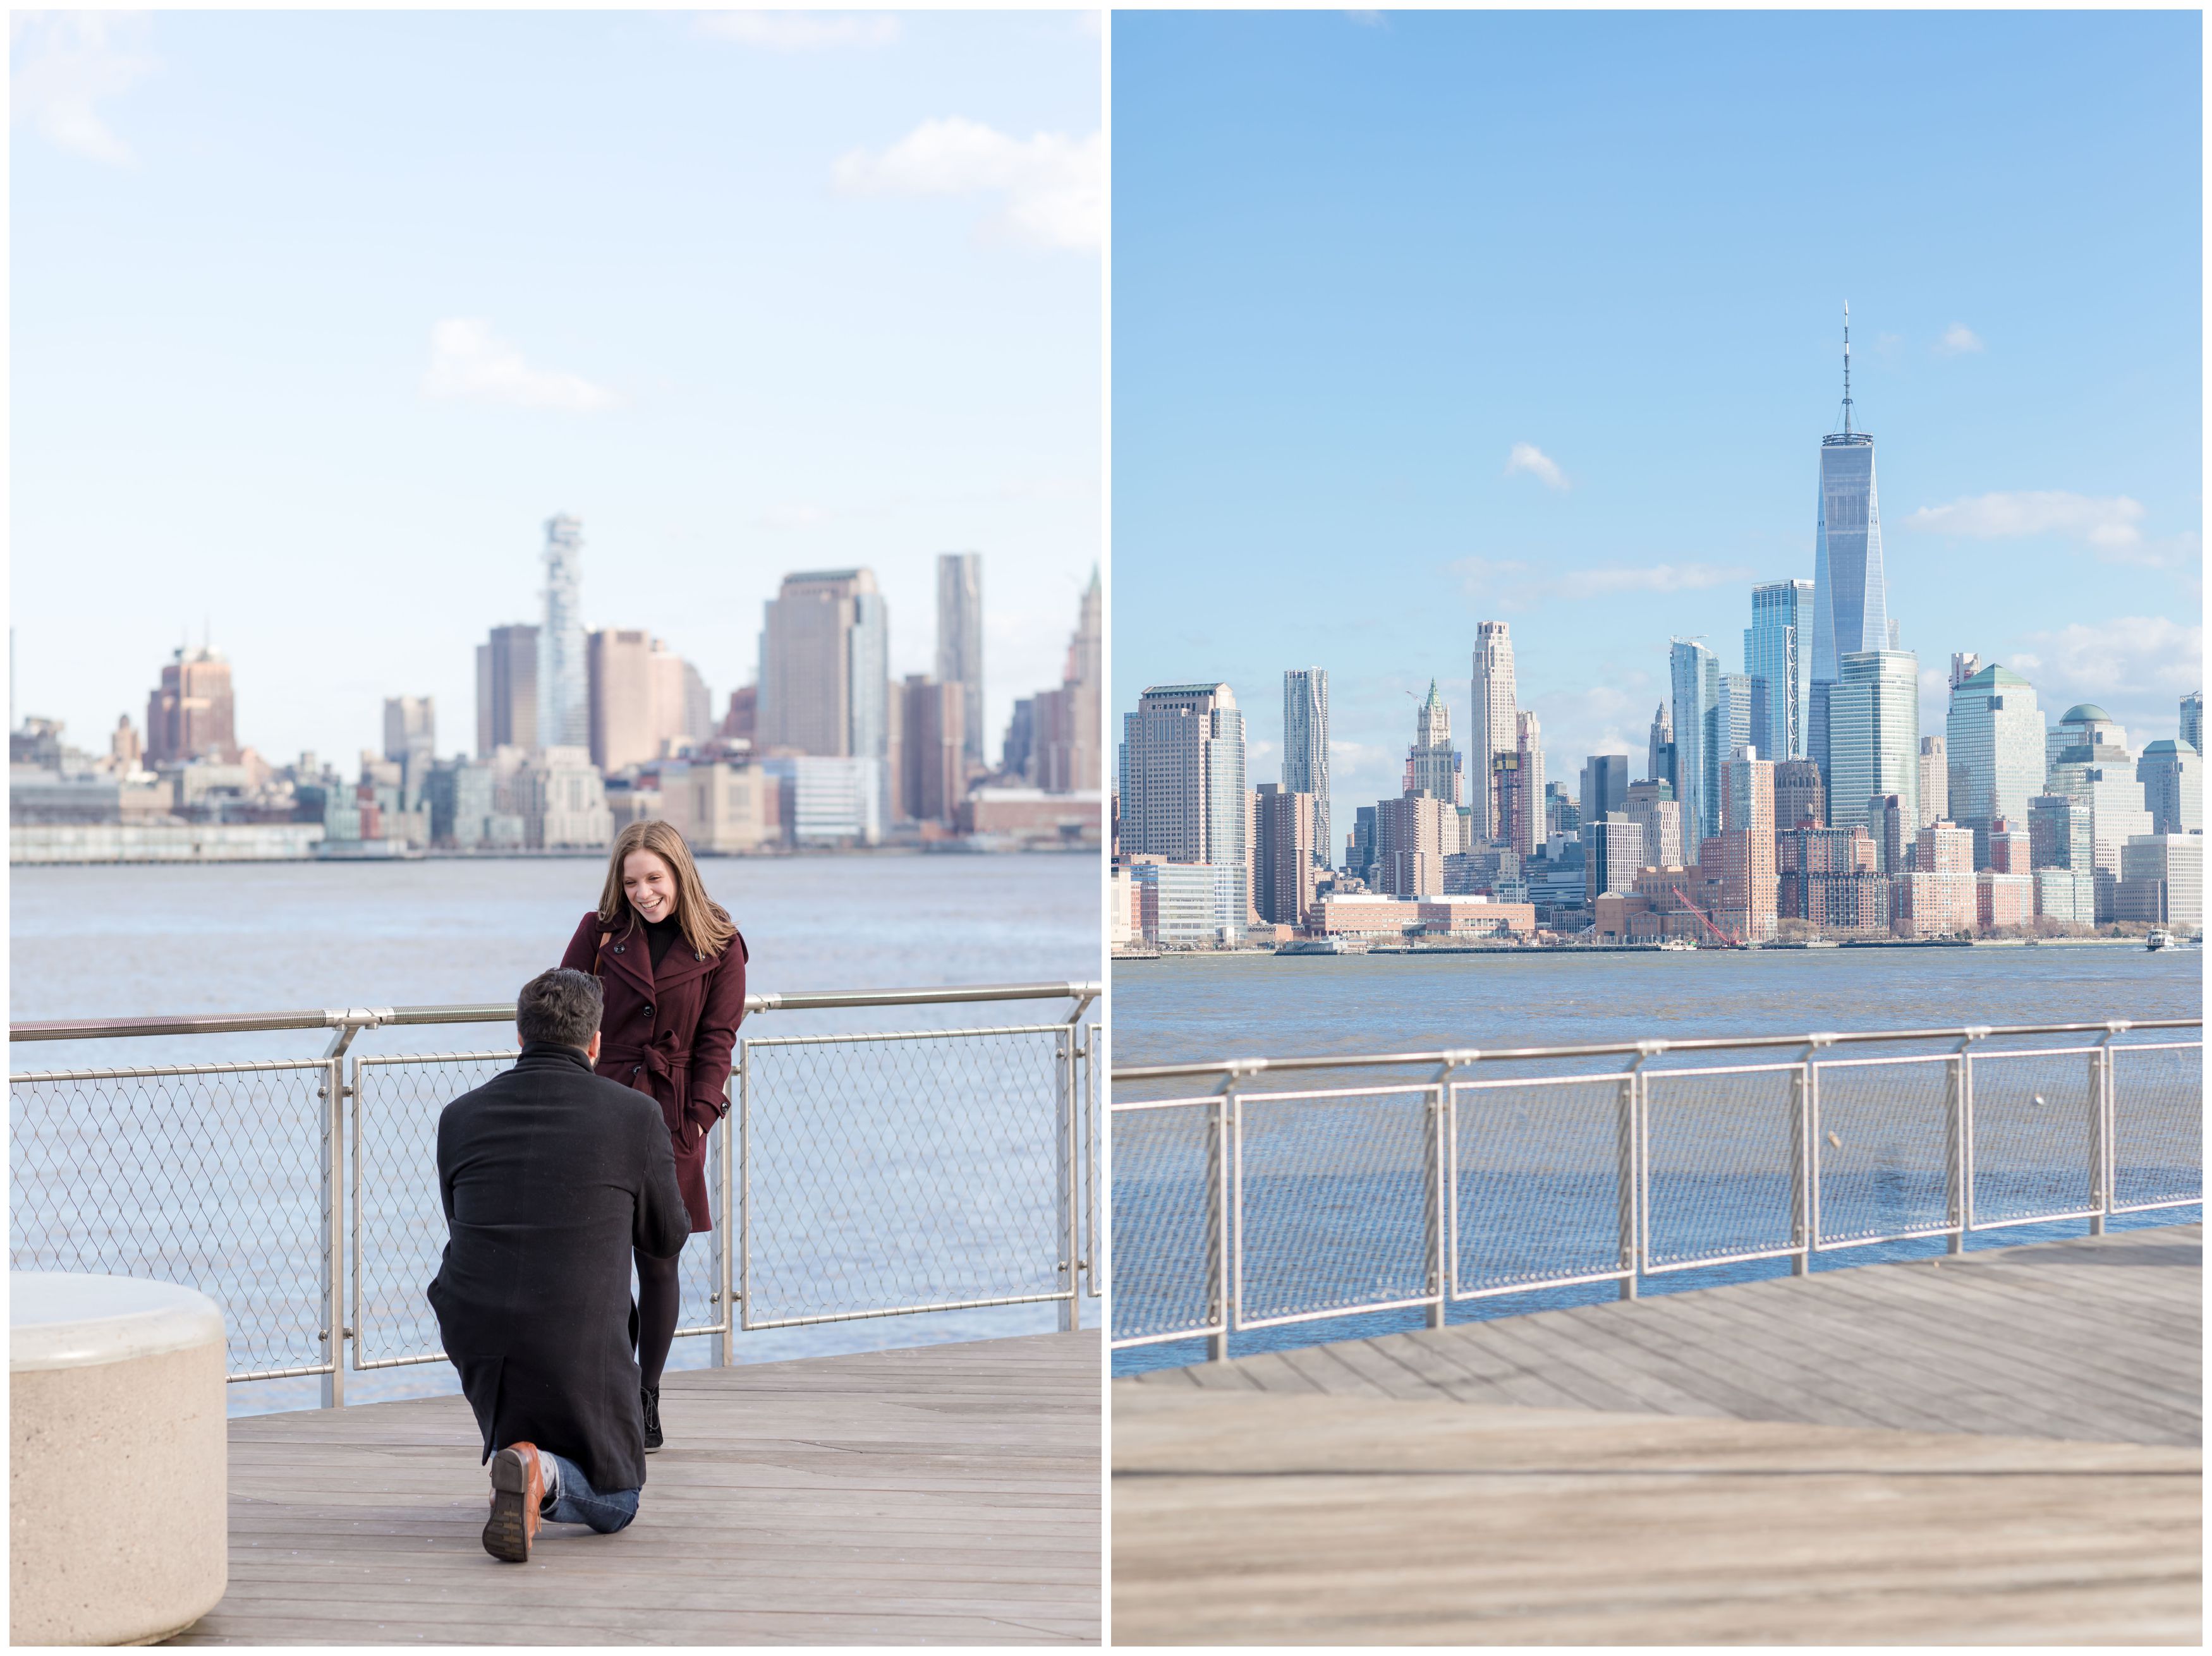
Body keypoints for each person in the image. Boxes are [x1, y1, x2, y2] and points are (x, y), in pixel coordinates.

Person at [428, 967, 690, 1562]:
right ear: (596, 1041)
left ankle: (521, 1460)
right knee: (619, 1498)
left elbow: (458, 1218)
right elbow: (667, 1235)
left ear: (519, 1038)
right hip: (576, 1330)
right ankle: (541, 1473)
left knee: (532, 1353)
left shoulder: (460, 1114)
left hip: (476, 1326)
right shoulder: (634, 1115)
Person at [559, 819, 748, 1454]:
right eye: (631, 880)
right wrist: (566, 1092)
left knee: (657, 1260)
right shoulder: (598, 931)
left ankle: (645, 1393)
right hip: (601, 1106)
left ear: (679, 874)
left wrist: (699, 1114)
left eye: (654, 878)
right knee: (603, 1264)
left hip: (671, 1113)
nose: (642, 892)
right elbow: (563, 1014)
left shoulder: (720, 940)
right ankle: (611, 1385)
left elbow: (719, 1037)